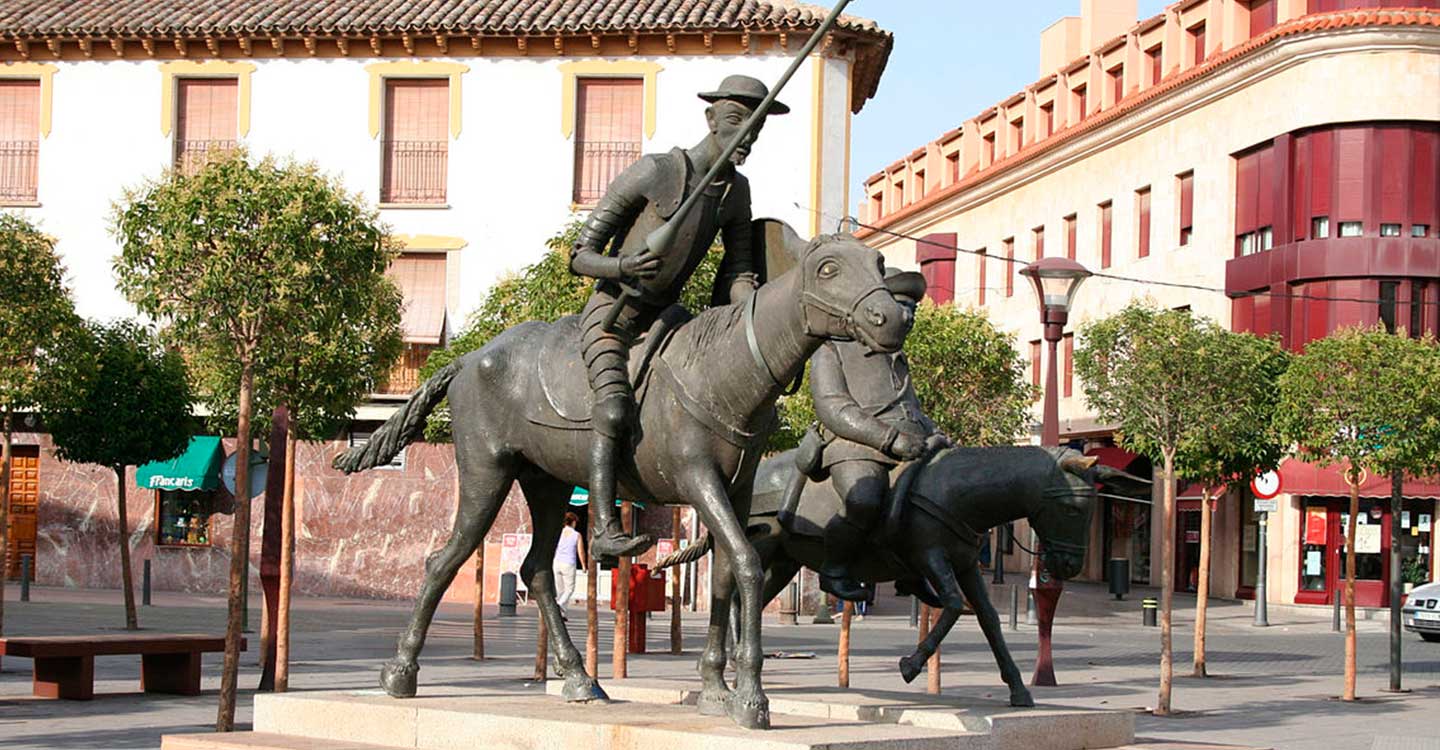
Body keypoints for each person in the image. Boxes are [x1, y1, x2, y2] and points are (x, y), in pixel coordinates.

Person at [569, 75, 786, 561]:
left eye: (755, 127)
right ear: (711, 119)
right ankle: (603, 527)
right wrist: (622, 267)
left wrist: (753, 308)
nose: (747, 136)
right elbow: (579, 255)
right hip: (613, 316)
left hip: (669, 321)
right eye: (737, 121)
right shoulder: (655, 172)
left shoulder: (736, 193)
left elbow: (739, 270)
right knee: (613, 409)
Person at [801, 269, 951, 602]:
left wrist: (934, 432)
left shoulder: (898, 356)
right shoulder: (833, 348)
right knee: (864, 500)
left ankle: (910, 572)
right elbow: (834, 408)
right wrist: (889, 439)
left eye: (912, 310)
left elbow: (910, 407)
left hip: (908, 445)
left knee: (934, 502)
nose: (908, 317)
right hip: (852, 446)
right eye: (902, 308)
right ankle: (834, 570)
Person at [553, 512, 587, 618]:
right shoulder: (576, 535)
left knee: (560, 590)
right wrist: (583, 564)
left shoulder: (559, 533)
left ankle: (561, 613)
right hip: (569, 563)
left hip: (557, 562)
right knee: (569, 589)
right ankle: (559, 605)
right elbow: (580, 551)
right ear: (573, 522)